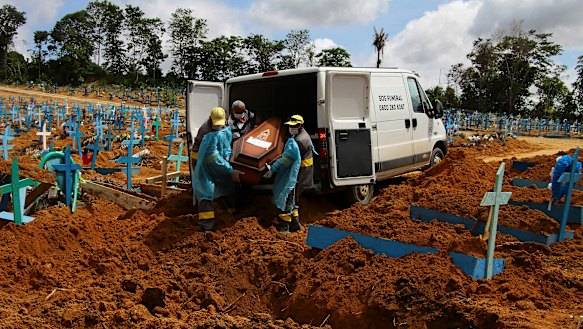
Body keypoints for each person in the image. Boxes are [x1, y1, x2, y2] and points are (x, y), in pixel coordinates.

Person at [193, 107, 243, 231]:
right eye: (216, 124)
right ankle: (206, 226)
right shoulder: (206, 132)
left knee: (225, 184)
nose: (218, 126)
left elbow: (226, 142)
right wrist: (229, 170)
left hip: (219, 160)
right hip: (203, 161)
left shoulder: (224, 126)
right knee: (206, 189)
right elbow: (212, 157)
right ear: (210, 119)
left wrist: (227, 156)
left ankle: (228, 214)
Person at [263, 115, 314, 233]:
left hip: (300, 173)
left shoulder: (299, 141)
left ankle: (284, 227)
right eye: (291, 126)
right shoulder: (301, 135)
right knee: (294, 198)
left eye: (294, 126)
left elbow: (286, 159)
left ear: (301, 126)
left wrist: (273, 168)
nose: (292, 128)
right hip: (302, 171)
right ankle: (295, 225)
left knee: (288, 199)